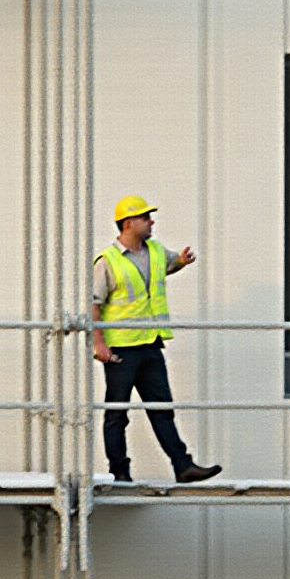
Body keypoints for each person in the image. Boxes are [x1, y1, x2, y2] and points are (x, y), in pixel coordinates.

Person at [92, 196, 221, 484]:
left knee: (162, 407)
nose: (152, 221)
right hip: (121, 350)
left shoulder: (155, 251)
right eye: (145, 217)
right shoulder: (108, 261)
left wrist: (182, 261)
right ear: (128, 223)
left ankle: (183, 466)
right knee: (117, 412)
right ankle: (120, 473)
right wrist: (99, 344)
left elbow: (167, 266)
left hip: (150, 343)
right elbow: (94, 303)